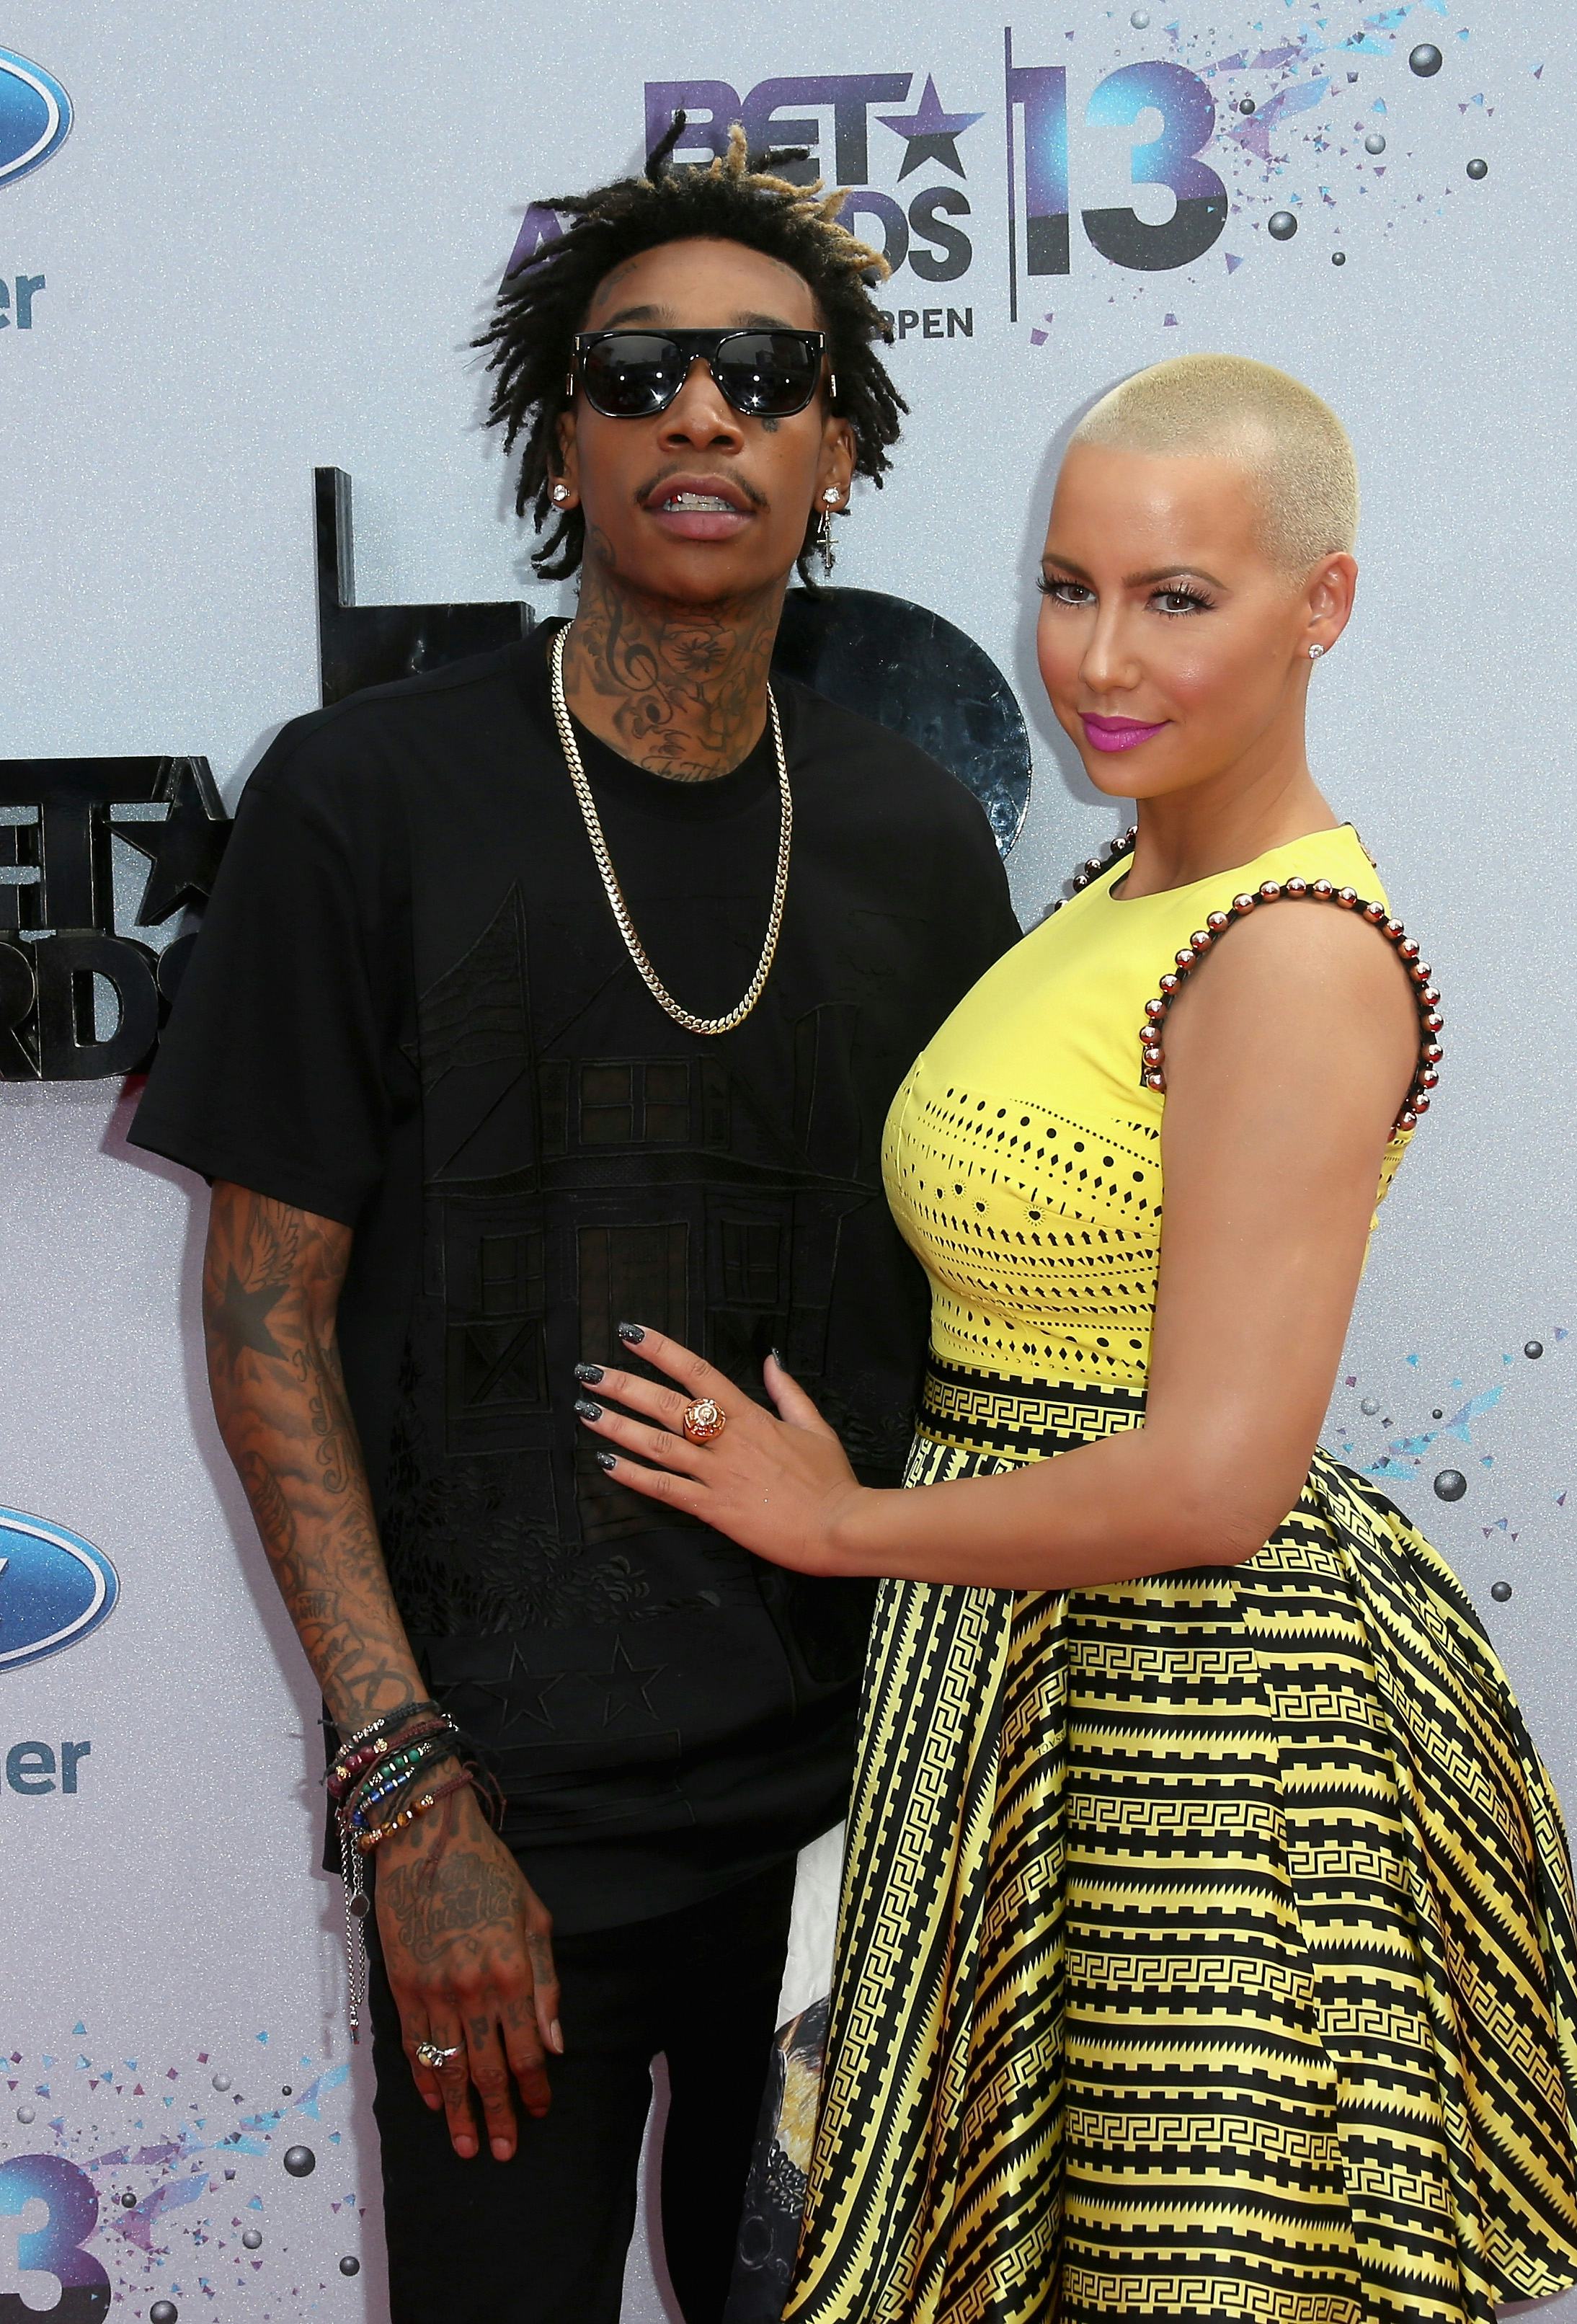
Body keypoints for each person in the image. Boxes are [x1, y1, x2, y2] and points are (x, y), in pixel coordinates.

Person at [574, 354, 1577, 2323]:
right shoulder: (1124, 891)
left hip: (1197, 1729)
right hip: (1032, 1678)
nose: (1099, 658)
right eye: (1070, 588)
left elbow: (1217, 1481)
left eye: (1177, 597)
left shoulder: (1292, 954)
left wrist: (836, 1525)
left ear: (1321, 603)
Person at [128, 120, 1016, 2324]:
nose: (701, 412)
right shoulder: (366, 797)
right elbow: (265, 1311)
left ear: (835, 451)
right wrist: (406, 1792)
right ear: (560, 436)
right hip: (500, 1832)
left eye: (763, 376)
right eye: (639, 372)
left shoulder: (915, 837)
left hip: (848, 1839)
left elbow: (987, 1327)